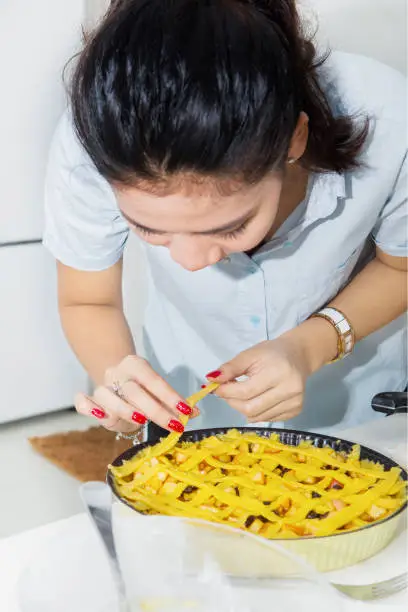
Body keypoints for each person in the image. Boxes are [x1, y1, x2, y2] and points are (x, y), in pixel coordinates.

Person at [44, 0, 407, 443]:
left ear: (295, 139)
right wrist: (118, 377)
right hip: (194, 413)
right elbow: (88, 300)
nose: (192, 263)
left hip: (360, 405)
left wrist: (313, 343)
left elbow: (400, 266)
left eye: (230, 228)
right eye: (150, 230)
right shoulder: (95, 142)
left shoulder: (389, 118)